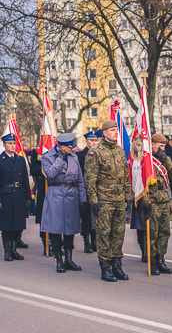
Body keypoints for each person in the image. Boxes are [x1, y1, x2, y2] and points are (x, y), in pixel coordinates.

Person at [84, 120, 133, 282]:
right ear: (104, 133)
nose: (116, 132)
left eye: (116, 130)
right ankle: (105, 267)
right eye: (112, 130)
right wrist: (93, 201)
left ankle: (117, 264)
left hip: (119, 199)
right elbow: (90, 179)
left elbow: (125, 175)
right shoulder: (95, 151)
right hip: (104, 199)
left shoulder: (119, 151)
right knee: (104, 233)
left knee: (119, 233)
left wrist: (128, 196)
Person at [41, 133, 87, 272]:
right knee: (56, 229)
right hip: (56, 194)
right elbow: (50, 175)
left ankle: (69, 259)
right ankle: (59, 260)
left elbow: (80, 179)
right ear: (61, 147)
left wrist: (83, 199)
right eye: (69, 147)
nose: (72, 148)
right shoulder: (48, 156)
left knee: (70, 229)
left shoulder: (74, 157)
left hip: (71, 195)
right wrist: (60, 160)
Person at [142, 133, 172, 275]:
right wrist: (145, 202)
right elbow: (141, 184)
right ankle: (151, 261)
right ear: (152, 145)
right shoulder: (145, 160)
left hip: (164, 201)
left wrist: (167, 161)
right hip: (152, 201)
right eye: (160, 146)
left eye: (164, 146)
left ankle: (160, 259)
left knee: (164, 233)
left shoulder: (165, 159)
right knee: (152, 234)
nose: (162, 149)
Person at [0, 134, 32, 261]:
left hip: (19, 194)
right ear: (4, 145)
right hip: (6, 196)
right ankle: (7, 251)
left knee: (18, 225)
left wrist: (28, 197)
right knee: (7, 225)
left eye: (14, 144)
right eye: (10, 144)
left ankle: (15, 250)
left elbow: (25, 180)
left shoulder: (20, 160)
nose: (13, 146)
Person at [76, 131, 100, 253]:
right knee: (85, 217)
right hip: (84, 190)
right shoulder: (80, 156)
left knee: (95, 216)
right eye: (92, 141)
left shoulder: (99, 154)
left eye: (96, 140)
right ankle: (86, 241)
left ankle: (95, 241)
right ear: (87, 142)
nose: (94, 143)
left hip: (97, 191)